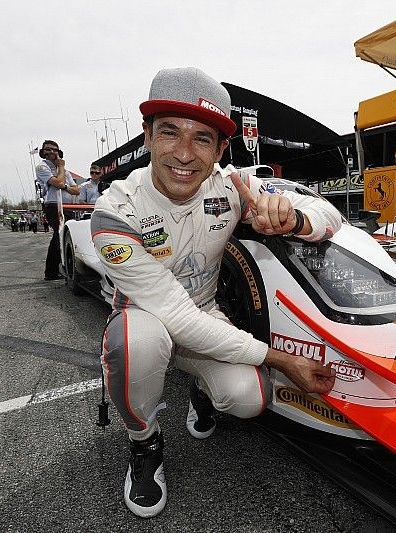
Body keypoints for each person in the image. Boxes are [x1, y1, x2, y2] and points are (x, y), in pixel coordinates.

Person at [91, 67, 341, 519]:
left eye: (202, 138)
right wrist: (282, 359)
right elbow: (174, 314)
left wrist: (290, 217)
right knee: (137, 343)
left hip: (207, 313)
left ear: (221, 148)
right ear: (146, 136)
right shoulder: (114, 209)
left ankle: (202, 388)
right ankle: (144, 441)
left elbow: (327, 211)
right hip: (148, 318)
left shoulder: (232, 185)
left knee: (249, 400)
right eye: (169, 132)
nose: (184, 154)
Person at [35, 140, 80, 280]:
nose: (51, 152)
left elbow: (76, 190)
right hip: (53, 205)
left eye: (54, 149)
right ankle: (53, 271)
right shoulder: (42, 167)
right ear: (43, 152)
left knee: (63, 236)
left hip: (67, 206)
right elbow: (59, 182)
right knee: (59, 235)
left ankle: (54, 270)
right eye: (48, 149)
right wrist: (61, 169)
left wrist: (64, 186)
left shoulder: (64, 171)